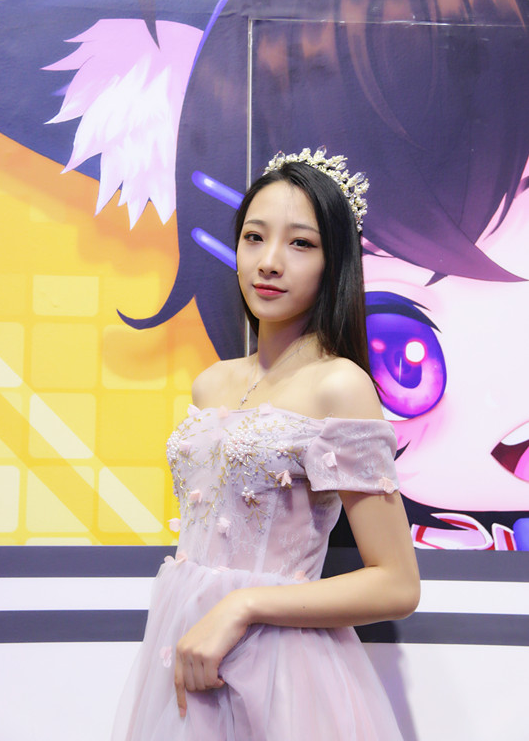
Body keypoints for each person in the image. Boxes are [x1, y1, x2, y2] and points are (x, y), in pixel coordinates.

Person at [111, 148, 420, 740]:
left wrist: (242, 605)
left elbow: (397, 583)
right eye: (254, 237)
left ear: (334, 262)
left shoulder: (339, 385)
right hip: (184, 658)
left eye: (301, 243)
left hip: (282, 671)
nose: (269, 262)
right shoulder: (211, 383)